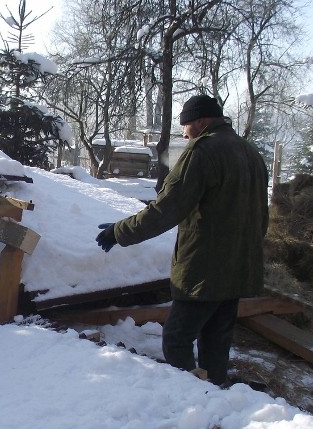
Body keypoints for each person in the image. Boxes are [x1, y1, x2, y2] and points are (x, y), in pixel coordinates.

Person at [95, 94, 268, 386]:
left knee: (176, 339)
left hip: (204, 270)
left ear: (200, 122)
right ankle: (213, 394)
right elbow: (261, 217)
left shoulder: (203, 152)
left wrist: (118, 231)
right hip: (239, 267)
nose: (185, 134)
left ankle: (185, 401)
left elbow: (166, 209)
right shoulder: (249, 153)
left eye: (186, 126)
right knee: (216, 338)